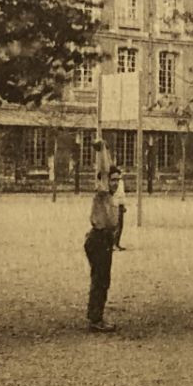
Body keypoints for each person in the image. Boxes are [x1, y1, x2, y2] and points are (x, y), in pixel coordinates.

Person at [83, 141, 121, 332]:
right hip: (98, 239)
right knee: (100, 280)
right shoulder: (102, 192)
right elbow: (104, 170)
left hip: (104, 240)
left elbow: (109, 170)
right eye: (112, 180)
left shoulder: (110, 196)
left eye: (117, 180)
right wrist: (103, 149)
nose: (114, 183)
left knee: (102, 279)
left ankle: (95, 315)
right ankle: (95, 319)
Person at [112, 167, 129, 250]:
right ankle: (114, 244)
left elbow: (122, 195)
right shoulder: (113, 184)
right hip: (115, 205)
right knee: (116, 225)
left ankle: (117, 243)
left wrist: (123, 205)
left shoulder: (121, 183)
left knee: (120, 225)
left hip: (120, 205)